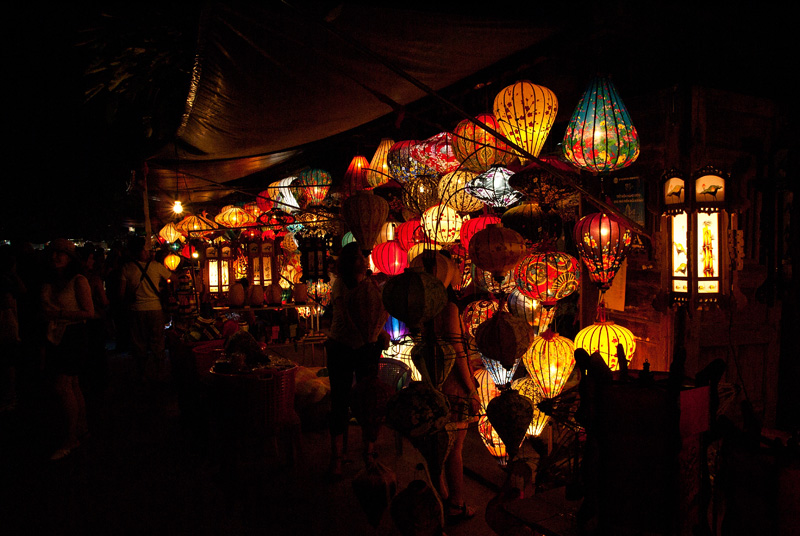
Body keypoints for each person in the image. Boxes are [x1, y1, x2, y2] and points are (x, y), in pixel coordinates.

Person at [324, 242, 390, 479]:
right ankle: (337, 457)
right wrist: (369, 335)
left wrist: (378, 333)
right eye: (360, 257)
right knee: (340, 401)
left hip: (365, 347)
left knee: (369, 400)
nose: (364, 261)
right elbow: (346, 317)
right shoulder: (341, 285)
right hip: (342, 347)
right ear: (350, 262)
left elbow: (375, 314)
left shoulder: (368, 284)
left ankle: (368, 451)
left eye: (364, 256)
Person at [423, 252, 480, 524]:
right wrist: (471, 389)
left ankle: (442, 496)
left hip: (433, 379)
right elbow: (458, 350)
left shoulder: (426, 307)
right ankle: (456, 503)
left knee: (439, 447)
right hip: (453, 384)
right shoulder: (449, 308)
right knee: (454, 448)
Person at [40, 238, 95, 460]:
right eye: (53, 253)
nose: (56, 257)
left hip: (73, 334)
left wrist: (59, 314)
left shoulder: (78, 280)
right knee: (72, 384)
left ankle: (70, 437)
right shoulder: (52, 280)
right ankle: (81, 428)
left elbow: (89, 312)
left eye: (61, 253)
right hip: (56, 334)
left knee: (63, 386)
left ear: (70, 258)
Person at [119, 236, 173, 384]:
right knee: (158, 342)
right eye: (146, 250)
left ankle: (142, 375)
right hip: (155, 309)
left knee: (139, 343)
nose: (148, 252)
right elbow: (172, 277)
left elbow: (121, 293)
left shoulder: (126, 268)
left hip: (136, 310)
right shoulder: (155, 266)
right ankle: (159, 373)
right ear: (141, 251)